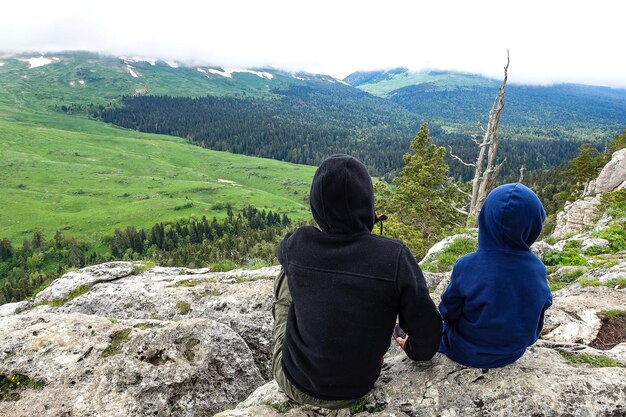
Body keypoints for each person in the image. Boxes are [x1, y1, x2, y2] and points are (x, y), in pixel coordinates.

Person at [272, 154, 442, 409]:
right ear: (368, 205)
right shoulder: (394, 256)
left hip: (295, 382)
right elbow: (428, 332)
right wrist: (415, 351)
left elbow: (281, 250)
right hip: (358, 387)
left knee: (287, 276)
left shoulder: (299, 244)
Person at [438, 183, 553, 369]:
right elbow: (543, 303)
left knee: (432, 328)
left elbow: (448, 312)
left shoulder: (467, 265)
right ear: (534, 225)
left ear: (485, 220)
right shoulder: (537, 268)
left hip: (466, 351)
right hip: (512, 352)